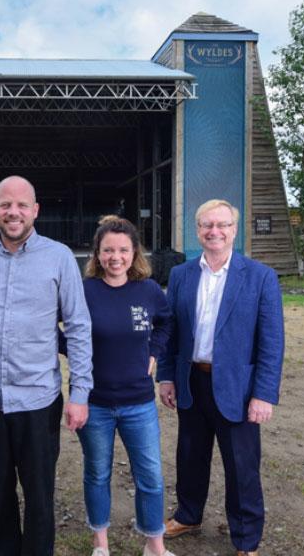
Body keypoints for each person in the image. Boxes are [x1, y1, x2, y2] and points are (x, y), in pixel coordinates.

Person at [0, 175, 93, 556]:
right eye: (5, 205)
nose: (14, 212)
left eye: (22, 205)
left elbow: (77, 326)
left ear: (35, 210)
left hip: (38, 401)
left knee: (40, 494)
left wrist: (80, 393)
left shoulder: (59, 257)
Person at [156, 199, 284, 556]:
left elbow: (272, 341)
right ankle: (188, 514)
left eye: (222, 225)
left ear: (234, 230)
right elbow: (171, 330)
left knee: (242, 467)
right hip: (192, 382)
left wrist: (264, 394)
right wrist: (167, 377)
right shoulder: (181, 275)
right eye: (207, 225)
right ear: (197, 230)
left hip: (239, 389)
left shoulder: (260, 277)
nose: (214, 231)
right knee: (190, 455)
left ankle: (246, 539)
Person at [72, 216, 174, 556]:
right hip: (96, 402)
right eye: (108, 250)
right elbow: (64, 331)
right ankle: (101, 544)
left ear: (135, 253)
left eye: (123, 250)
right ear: (97, 254)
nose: (116, 257)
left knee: (150, 476)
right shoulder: (84, 291)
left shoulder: (147, 290)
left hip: (139, 403)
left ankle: (154, 544)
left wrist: (154, 351)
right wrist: (74, 350)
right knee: (98, 474)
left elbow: (165, 322)